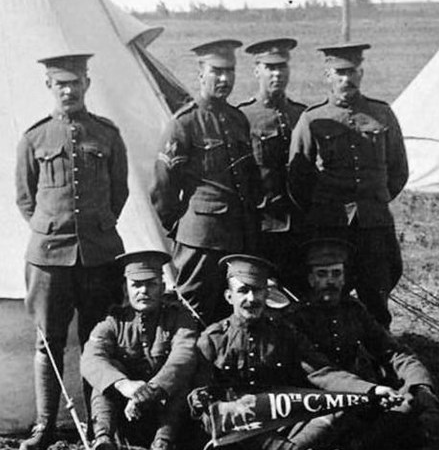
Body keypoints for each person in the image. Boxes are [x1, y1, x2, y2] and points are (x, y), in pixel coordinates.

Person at [190, 254, 402, 450]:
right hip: (236, 430)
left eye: (258, 291)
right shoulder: (213, 338)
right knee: (219, 416)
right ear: (229, 296)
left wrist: (371, 390)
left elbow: (322, 372)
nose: (251, 299)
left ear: (267, 294)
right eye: (243, 291)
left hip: (281, 422)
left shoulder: (284, 333)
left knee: (342, 404)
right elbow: (199, 394)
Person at [15, 52, 129, 450]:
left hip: (99, 256)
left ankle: (102, 429)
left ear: (86, 85)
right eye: (60, 83)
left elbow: (120, 193)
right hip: (48, 255)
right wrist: (54, 228)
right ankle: (46, 426)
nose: (68, 90)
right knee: (48, 342)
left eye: (75, 83)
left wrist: (96, 227)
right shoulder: (35, 137)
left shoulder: (107, 134)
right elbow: (26, 199)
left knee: (98, 342)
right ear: (49, 86)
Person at [287, 43, 409, 328]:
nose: (346, 79)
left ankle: (380, 358)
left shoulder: (382, 115)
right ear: (327, 76)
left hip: (373, 225)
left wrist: (375, 201)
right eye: (339, 73)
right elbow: (297, 179)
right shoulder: (312, 119)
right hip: (330, 225)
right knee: (328, 294)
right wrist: (322, 209)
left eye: (352, 72)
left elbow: (398, 170)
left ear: (361, 72)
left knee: (376, 293)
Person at [286, 238, 437, 450]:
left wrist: (418, 383)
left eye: (336, 274)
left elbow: (393, 351)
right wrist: (370, 390)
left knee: (412, 401)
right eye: (322, 274)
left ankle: (354, 445)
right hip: (320, 398)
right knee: (340, 415)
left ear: (344, 278)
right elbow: (321, 373)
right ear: (310, 279)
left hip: (364, 396)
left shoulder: (354, 310)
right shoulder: (295, 318)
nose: (330, 281)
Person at [150, 39, 261, 326]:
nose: (224, 79)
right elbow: (164, 189)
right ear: (201, 74)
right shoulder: (184, 124)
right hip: (200, 240)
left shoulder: (238, 120)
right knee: (192, 313)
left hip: (236, 238)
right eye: (216, 71)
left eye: (230, 72)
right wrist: (184, 227)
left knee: (231, 315)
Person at [80, 250, 198, 450]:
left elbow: (184, 357)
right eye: (136, 285)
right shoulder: (113, 322)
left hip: (165, 413)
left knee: (181, 380)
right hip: (125, 415)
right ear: (126, 289)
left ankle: (163, 446)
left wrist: (149, 392)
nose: (143, 291)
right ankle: (103, 439)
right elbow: (91, 358)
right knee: (106, 374)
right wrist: (124, 385)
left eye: (151, 284)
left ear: (162, 288)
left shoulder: (178, 319)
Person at [238, 38, 307, 295]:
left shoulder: (301, 115)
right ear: (257, 70)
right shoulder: (243, 117)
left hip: (298, 223)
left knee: (298, 289)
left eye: (282, 67)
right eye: (270, 67)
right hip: (261, 224)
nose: (277, 74)